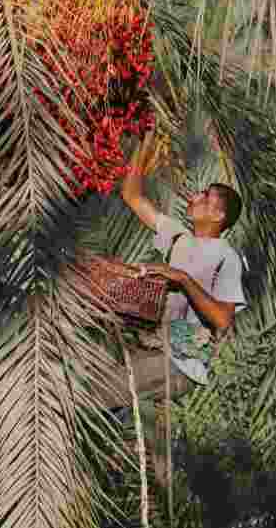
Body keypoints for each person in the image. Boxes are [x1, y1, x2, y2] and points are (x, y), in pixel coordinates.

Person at [104, 129, 247, 407]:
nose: (195, 197)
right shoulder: (179, 236)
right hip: (152, 348)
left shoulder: (227, 258)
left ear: (218, 215)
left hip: (180, 365)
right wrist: (146, 138)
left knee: (95, 391)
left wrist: (182, 278)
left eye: (205, 197)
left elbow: (223, 320)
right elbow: (132, 195)